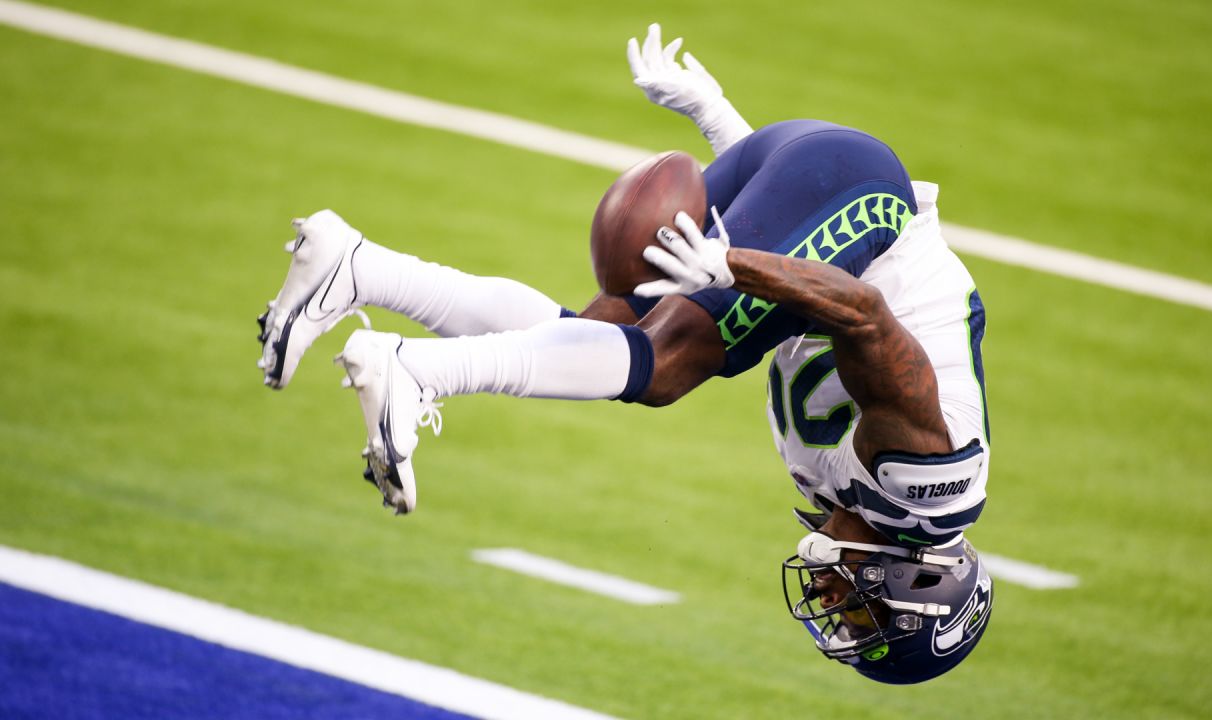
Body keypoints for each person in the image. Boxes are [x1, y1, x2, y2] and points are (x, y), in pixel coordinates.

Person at [256, 24, 993, 683]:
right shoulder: (931, 482)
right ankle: (418, 371)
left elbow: (815, 251)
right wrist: (734, 265)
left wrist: (719, 123)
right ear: (916, 587)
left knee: (597, 336)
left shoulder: (839, 491)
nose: (834, 603)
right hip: (858, 190)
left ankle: (358, 266)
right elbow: (863, 312)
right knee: (666, 368)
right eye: (861, 617)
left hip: (814, 176)